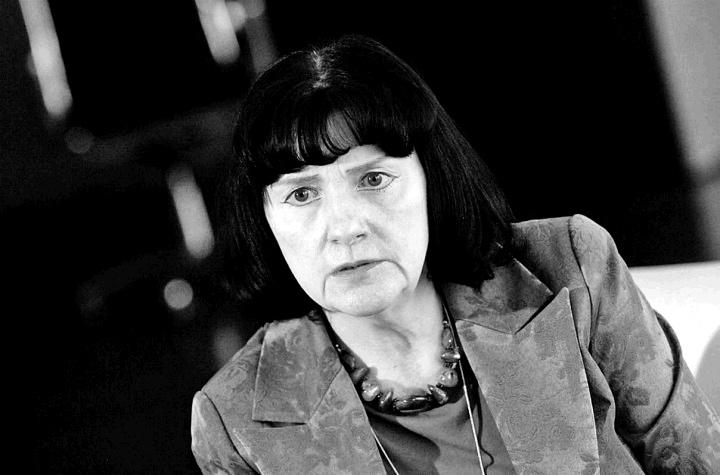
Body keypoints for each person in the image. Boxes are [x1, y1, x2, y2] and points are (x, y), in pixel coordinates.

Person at [191, 35, 720, 474]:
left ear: (432, 181)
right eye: (302, 194)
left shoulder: (572, 269)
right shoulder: (233, 421)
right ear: (265, 218)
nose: (345, 227)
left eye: (373, 179)